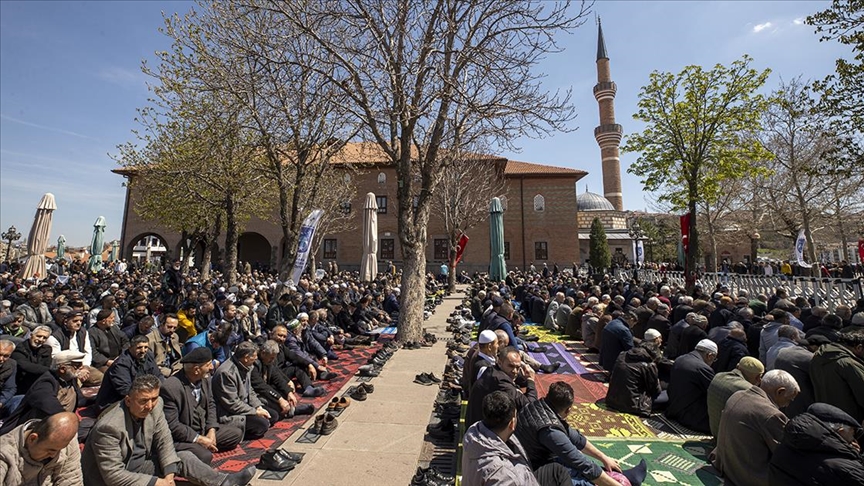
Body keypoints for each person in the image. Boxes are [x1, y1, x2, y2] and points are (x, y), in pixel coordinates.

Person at [82, 375, 254, 486]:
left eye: (153, 399)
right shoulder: (108, 427)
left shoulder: (156, 407)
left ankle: (224, 482)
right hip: (113, 478)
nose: (149, 406)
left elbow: (164, 441)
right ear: (128, 400)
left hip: (141, 464)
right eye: (143, 401)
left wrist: (169, 476)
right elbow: (113, 476)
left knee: (184, 457)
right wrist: (157, 482)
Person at [516, 381, 647, 486]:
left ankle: (621, 476)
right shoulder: (550, 430)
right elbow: (582, 463)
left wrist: (604, 458)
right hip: (532, 472)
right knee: (576, 476)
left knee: (573, 463)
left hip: (534, 460)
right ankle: (620, 481)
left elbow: (576, 438)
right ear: (568, 410)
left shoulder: (540, 407)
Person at [462, 391, 570, 486]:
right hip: (517, 478)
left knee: (557, 471)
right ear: (512, 423)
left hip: (521, 476)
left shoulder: (474, 432)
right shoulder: (505, 477)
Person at [711, 369, 800, 486]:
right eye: (789, 399)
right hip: (746, 476)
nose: (788, 404)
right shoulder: (771, 415)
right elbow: (784, 453)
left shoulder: (737, 395)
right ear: (780, 392)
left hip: (724, 464)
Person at [159, 347, 244, 465]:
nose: (212, 367)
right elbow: (173, 425)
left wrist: (211, 430)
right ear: (196, 370)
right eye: (208, 365)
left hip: (203, 430)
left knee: (236, 434)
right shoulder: (171, 387)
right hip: (184, 437)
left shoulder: (205, 378)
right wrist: (198, 439)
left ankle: (205, 445)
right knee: (205, 456)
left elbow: (211, 404)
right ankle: (198, 450)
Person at [769, 402, 864, 485]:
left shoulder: (781, 452)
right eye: (852, 435)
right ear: (841, 432)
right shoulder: (845, 468)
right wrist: (856, 457)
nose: (854, 441)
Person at [0, 350, 85, 436]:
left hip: (61, 424)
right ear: (62, 369)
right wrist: (70, 419)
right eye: (77, 366)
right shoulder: (46, 383)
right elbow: (49, 404)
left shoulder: (70, 380)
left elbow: (81, 399)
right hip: (39, 429)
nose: (81, 368)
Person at [211, 341, 275, 440]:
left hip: (245, 405)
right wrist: (255, 412)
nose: (256, 359)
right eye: (254, 357)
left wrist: (258, 406)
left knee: (273, 415)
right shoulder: (226, 373)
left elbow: (250, 390)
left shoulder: (246, 366)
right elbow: (232, 404)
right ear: (246, 358)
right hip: (230, 413)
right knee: (263, 424)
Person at [0, 412, 83, 486]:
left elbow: (72, 480)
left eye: (59, 450)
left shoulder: (65, 441)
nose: (53, 455)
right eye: (50, 450)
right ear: (33, 439)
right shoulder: (4, 453)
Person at [466, 347, 537, 428]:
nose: (515, 371)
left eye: (518, 367)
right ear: (499, 363)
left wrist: (526, 379)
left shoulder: (493, 371)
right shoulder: (501, 381)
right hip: (484, 431)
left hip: (478, 425)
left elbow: (517, 380)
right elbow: (530, 407)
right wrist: (530, 380)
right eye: (511, 366)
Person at [95, 335, 164, 409]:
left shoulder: (148, 356)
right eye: (139, 347)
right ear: (130, 347)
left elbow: (159, 376)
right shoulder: (121, 364)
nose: (143, 351)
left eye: (146, 347)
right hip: (115, 402)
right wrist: (148, 394)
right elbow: (125, 390)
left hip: (143, 396)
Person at [809, 330, 864, 422]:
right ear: (859, 348)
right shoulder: (848, 363)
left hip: (825, 416)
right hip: (850, 420)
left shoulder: (817, 358)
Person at [665, 339, 717, 434]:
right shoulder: (703, 368)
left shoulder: (680, 359)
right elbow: (714, 393)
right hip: (690, 417)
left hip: (673, 408)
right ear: (710, 356)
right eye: (714, 359)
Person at [252, 340, 314, 419]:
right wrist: (279, 399)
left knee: (284, 392)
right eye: (271, 358)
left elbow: (277, 377)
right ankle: (290, 411)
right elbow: (261, 386)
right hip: (255, 394)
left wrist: (288, 392)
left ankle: (291, 409)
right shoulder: (254, 364)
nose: (273, 360)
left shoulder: (268, 361)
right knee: (273, 412)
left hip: (265, 387)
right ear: (263, 353)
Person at [706, 356, 765, 437]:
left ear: (738, 367)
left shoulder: (718, 376)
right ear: (758, 377)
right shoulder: (748, 389)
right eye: (760, 377)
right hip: (730, 439)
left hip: (714, 432)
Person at [605, 341, 664, 417]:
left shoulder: (623, 355)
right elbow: (655, 390)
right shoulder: (649, 365)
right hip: (633, 405)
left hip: (612, 399)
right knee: (667, 395)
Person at [46, 309, 102, 386]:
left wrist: (85, 367)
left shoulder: (83, 332)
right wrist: (76, 372)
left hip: (82, 365)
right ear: (66, 322)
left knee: (100, 378)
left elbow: (87, 351)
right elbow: (56, 360)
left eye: (81, 321)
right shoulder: (55, 337)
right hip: (65, 369)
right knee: (75, 384)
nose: (79, 323)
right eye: (75, 321)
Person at [10, 325, 52, 396]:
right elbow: (24, 365)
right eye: (38, 336)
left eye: (44, 338)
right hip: (21, 385)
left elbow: (46, 365)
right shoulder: (20, 348)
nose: (41, 339)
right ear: (31, 335)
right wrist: (50, 370)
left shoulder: (47, 349)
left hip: (38, 383)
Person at [89, 307, 130, 372]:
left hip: (120, 358)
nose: (114, 320)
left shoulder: (114, 327)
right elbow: (93, 352)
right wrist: (107, 361)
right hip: (103, 364)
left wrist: (122, 355)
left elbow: (125, 341)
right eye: (111, 318)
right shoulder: (91, 333)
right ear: (103, 321)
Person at [146, 313, 183, 377]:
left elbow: (178, 358)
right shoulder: (150, 340)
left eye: (174, 328)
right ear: (161, 324)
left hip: (175, 370)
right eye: (169, 327)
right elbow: (150, 365)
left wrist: (176, 370)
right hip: (158, 374)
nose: (172, 330)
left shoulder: (174, 336)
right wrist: (170, 373)